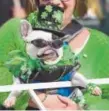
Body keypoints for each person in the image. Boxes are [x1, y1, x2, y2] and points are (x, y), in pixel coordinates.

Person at [23, 0, 101, 110]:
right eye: (39, 43)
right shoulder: (12, 34)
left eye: (57, 43)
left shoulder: (102, 43)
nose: (55, 1)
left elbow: (104, 98)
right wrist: (39, 99)